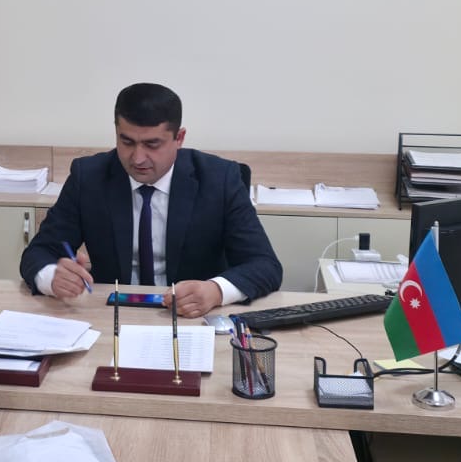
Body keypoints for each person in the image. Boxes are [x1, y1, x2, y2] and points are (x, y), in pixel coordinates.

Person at [20, 84, 281, 316]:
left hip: (190, 317)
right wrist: (51, 277)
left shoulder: (219, 179)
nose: (137, 158)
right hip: (112, 314)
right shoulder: (89, 177)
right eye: (127, 142)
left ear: (179, 138)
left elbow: (265, 265)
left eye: (152, 144)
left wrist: (215, 291)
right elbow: (38, 253)